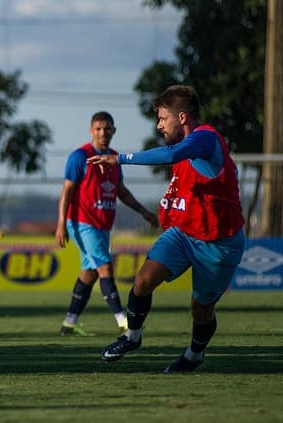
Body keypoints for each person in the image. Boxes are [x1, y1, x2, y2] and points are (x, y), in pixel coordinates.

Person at [88, 85, 245, 372]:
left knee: (201, 309)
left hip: (219, 243)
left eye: (162, 119)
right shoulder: (186, 147)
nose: (159, 125)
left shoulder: (205, 139)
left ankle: (194, 355)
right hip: (184, 234)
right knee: (144, 280)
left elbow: (174, 154)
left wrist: (120, 157)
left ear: (182, 118)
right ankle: (131, 336)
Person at [55, 111, 158, 336]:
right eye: (98, 128)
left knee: (89, 274)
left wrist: (144, 212)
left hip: (102, 225)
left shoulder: (114, 157)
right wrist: (61, 223)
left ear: (113, 131)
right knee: (105, 267)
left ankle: (69, 324)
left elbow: (121, 191)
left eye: (107, 128)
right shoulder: (79, 157)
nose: (103, 132)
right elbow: (67, 191)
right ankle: (124, 322)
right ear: (91, 131)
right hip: (82, 223)